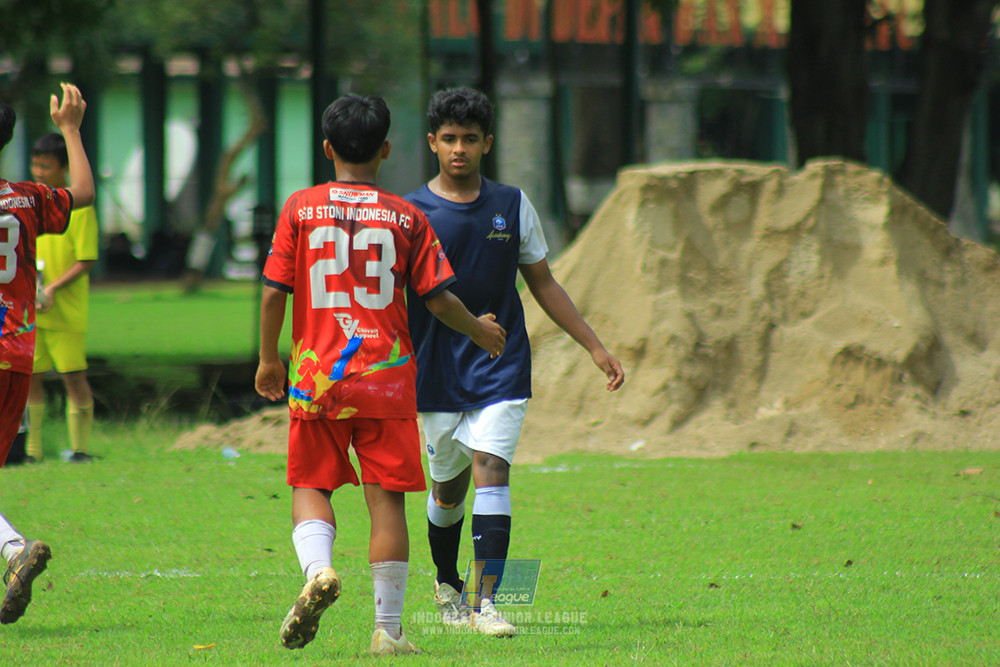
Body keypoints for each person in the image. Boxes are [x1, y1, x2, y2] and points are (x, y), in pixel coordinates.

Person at [254, 93, 506, 656]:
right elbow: (439, 301)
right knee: (387, 500)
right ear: (387, 150)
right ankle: (388, 632)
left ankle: (318, 571)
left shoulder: (300, 208)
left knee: (311, 484)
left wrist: (271, 359)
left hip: (319, 377)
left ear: (327, 149)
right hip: (387, 379)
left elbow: (275, 291)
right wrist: (481, 331)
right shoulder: (406, 216)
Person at [405, 87, 625, 637]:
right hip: (435, 369)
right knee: (448, 486)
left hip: (501, 363)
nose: (460, 149)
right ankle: (446, 580)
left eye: (470, 139)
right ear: (432, 142)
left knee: (493, 469)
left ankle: (486, 606)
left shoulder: (511, 205)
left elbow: (544, 283)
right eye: (449, 139)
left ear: (488, 143)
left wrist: (595, 347)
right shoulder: (410, 213)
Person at [0, 83, 95, 624]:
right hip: (15, 355)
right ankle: (13, 552)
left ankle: (14, 549)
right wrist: (71, 130)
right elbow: (82, 191)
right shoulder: (27, 196)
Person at [26, 132, 99, 464]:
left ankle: (80, 449)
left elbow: (86, 260)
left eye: (47, 166)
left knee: (73, 377)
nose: (39, 172)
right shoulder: (29, 201)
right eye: (35, 165)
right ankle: (32, 450)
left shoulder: (79, 208)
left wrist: (53, 288)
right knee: (30, 378)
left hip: (66, 311)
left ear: (65, 168)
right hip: (31, 308)